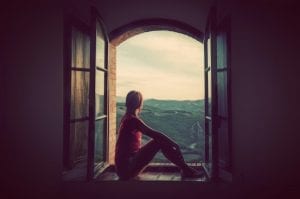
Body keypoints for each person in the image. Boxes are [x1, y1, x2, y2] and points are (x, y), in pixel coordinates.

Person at [115, 90, 205, 180]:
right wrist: (173, 143)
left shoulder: (126, 118)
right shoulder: (132, 120)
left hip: (123, 169)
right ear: (139, 104)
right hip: (127, 169)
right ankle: (186, 170)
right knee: (158, 142)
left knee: (159, 141)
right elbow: (155, 134)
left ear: (127, 103)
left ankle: (186, 169)